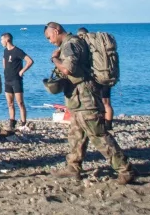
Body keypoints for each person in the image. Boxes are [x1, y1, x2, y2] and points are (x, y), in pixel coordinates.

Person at [45, 22, 135, 184]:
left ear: (56, 31)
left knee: (98, 134)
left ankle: (124, 169)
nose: (49, 41)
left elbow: (68, 69)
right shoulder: (74, 42)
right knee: (76, 134)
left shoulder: (70, 44)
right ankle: (73, 167)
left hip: (85, 97)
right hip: (77, 97)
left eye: (49, 37)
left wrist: (54, 59)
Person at [78, 26, 115, 130]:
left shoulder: (85, 45)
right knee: (107, 102)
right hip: (107, 73)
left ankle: (101, 124)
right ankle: (108, 125)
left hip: (96, 75)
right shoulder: (98, 45)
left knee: (98, 101)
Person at [0, 33, 33, 130]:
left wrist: (22, 71)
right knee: (10, 103)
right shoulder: (5, 51)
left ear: (7, 40)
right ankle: (12, 121)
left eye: (2, 40)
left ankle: (23, 123)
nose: (1, 42)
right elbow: (4, 61)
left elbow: (30, 61)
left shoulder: (17, 51)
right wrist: (5, 71)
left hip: (16, 80)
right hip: (7, 79)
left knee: (20, 103)